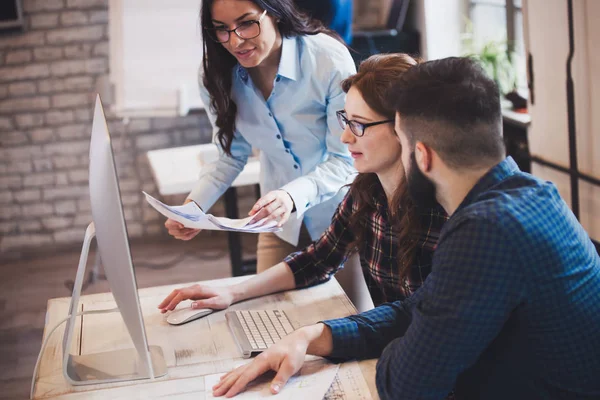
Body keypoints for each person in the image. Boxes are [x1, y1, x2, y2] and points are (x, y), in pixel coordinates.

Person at [209, 57, 600, 399]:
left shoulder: (484, 230)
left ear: (421, 154)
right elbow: (421, 307)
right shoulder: (532, 195)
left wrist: (402, 342)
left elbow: (405, 384)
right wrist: (315, 335)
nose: (347, 137)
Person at [158, 53, 447, 315]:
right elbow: (318, 260)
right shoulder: (365, 193)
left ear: (403, 126)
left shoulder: (443, 214)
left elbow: (424, 323)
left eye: (358, 124)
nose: (345, 137)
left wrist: (322, 337)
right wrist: (230, 292)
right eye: (345, 120)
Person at [165, 0, 357, 272]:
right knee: (268, 311)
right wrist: (193, 207)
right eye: (222, 29)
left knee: (347, 312)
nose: (236, 41)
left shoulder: (327, 58)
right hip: (277, 222)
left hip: (341, 216)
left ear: (275, 13)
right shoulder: (215, 74)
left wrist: (291, 197)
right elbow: (230, 156)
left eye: (246, 23)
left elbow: (344, 159)